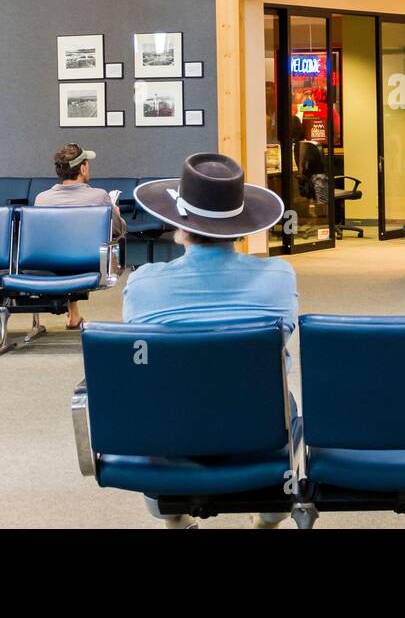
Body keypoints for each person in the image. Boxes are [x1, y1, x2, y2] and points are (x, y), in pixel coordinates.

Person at [124, 153, 294, 528]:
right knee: (284, 400)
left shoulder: (143, 282)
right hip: (260, 426)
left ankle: (174, 514)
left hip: (172, 427)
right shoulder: (279, 277)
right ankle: (270, 514)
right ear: (242, 229)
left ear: (179, 228)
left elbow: (142, 358)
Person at [34, 143, 127, 329]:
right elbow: (119, 230)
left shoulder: (42, 198)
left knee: (64, 248)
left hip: (49, 263)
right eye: (88, 164)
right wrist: (116, 212)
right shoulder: (99, 196)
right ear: (83, 168)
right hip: (87, 262)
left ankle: (73, 315)